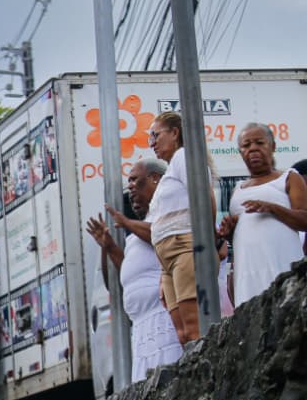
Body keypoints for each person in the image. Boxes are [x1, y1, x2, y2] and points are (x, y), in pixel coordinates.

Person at [87, 158, 184, 382]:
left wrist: (127, 223)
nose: (131, 189)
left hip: (164, 323)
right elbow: (117, 282)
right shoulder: (133, 238)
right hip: (142, 330)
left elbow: (163, 237)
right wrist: (109, 248)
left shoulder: (167, 216)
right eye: (128, 183)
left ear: (156, 180)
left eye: (135, 182)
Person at [144, 111, 216, 344]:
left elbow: (205, 196)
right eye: (150, 138)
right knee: (184, 334)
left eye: (155, 135)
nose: (152, 143)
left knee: (194, 328)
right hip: (167, 258)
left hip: (184, 247)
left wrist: (209, 241)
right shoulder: (171, 169)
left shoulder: (184, 157)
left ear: (174, 133)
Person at [219, 122, 307, 307]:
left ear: (272, 146)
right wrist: (228, 232)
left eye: (259, 143)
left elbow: (304, 220)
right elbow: (238, 239)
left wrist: (273, 208)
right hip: (248, 274)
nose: (253, 149)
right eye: (246, 145)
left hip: (282, 267)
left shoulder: (289, 178)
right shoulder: (237, 190)